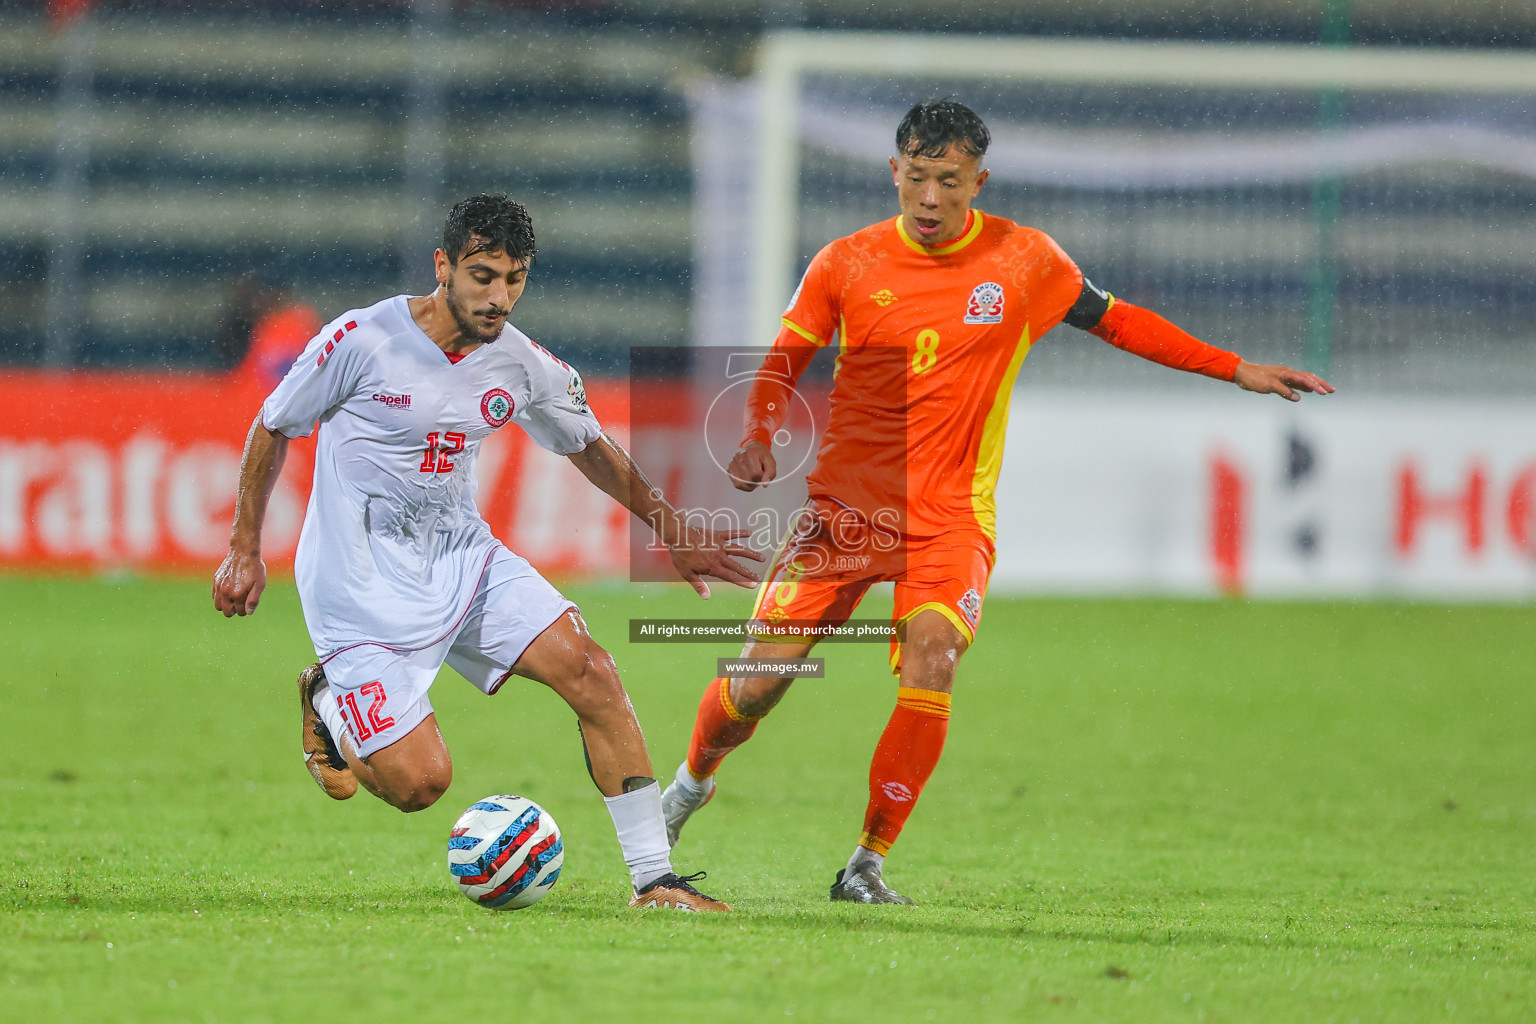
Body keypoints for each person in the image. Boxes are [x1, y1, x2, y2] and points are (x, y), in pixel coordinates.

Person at [659, 100, 1334, 904]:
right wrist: (759, 434)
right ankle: (689, 786)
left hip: (950, 518)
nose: (932, 198)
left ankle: (866, 863)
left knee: (932, 658)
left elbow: (1117, 322)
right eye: (917, 178)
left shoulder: (1024, 260)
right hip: (846, 515)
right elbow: (780, 363)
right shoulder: (845, 263)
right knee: (757, 687)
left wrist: (1235, 368)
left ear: (979, 179)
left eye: (950, 181)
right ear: (894, 173)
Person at [212, 193, 760, 912]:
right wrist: (243, 549)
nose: (498, 296)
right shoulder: (361, 339)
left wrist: (670, 526)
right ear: (443, 266)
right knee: (418, 785)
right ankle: (328, 700)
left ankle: (654, 880)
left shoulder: (521, 363)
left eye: (514, 278)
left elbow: (588, 445)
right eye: (482, 276)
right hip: (360, 584)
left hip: (463, 558)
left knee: (591, 670)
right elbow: (273, 423)